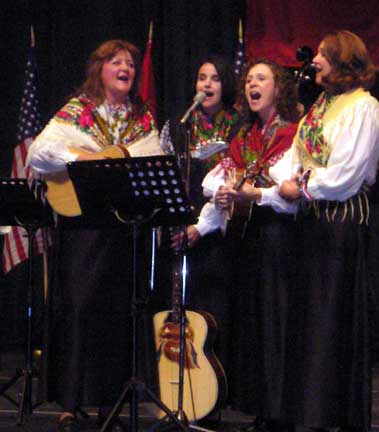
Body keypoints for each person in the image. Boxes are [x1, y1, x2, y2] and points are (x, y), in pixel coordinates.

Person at [27, 39, 163, 432]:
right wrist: (84, 158)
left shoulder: (141, 117)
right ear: (99, 69)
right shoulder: (79, 111)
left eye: (131, 65)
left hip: (122, 228)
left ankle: (110, 402)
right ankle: (70, 402)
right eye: (116, 62)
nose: (126, 68)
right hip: (84, 228)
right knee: (79, 309)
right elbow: (39, 153)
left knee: (117, 315)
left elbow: (150, 159)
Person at [276, 30, 379, 432]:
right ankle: (308, 417)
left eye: (322, 54)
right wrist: (279, 186)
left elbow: (344, 174)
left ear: (341, 60)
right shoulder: (320, 107)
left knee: (329, 325)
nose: (315, 60)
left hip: (340, 226)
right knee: (309, 325)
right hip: (312, 224)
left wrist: (301, 186)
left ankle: (329, 417)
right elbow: (294, 158)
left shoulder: (363, 108)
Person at [201, 58, 301, 432]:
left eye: (261, 79)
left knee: (276, 321)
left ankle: (280, 412)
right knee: (254, 321)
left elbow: (291, 190)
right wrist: (225, 193)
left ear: (279, 88)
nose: (251, 85)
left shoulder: (292, 134)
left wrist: (253, 193)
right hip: (250, 237)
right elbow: (214, 179)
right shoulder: (246, 136)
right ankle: (260, 408)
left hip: (280, 237)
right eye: (248, 80)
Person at [158, 55, 240, 402]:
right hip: (181, 228)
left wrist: (200, 228)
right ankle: (181, 389)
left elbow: (232, 182)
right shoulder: (178, 126)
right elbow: (164, 177)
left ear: (226, 87)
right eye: (201, 77)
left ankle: (216, 391)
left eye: (215, 79)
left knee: (216, 309)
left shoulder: (237, 126)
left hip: (219, 230)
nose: (206, 84)